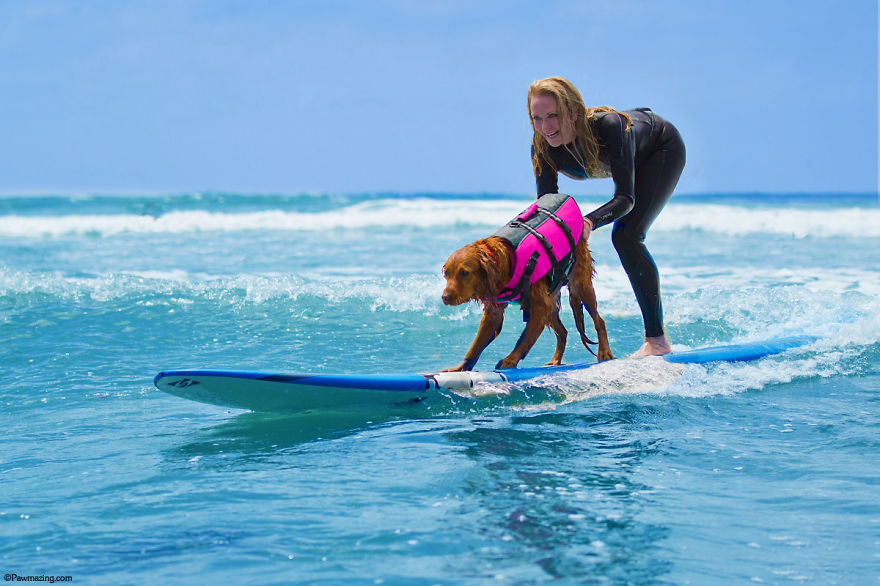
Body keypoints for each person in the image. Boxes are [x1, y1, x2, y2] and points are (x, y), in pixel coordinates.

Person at [527, 76, 686, 356]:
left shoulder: (610, 127)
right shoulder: (542, 147)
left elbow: (626, 198)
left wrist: (589, 222)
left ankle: (657, 342)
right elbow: (547, 210)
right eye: (537, 118)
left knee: (626, 236)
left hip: (660, 148)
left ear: (573, 112)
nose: (545, 127)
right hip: (632, 154)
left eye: (553, 116)